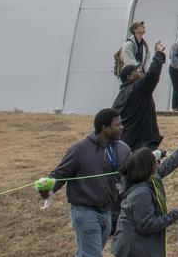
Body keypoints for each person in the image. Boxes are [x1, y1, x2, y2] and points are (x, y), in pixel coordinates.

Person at [45, 108, 132, 257]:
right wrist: (48, 188)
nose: (122, 127)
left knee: (87, 253)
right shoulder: (79, 150)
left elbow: (133, 172)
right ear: (104, 128)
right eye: (118, 125)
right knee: (91, 255)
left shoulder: (123, 148)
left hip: (107, 211)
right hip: (85, 212)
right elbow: (60, 174)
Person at [110, 135, 178, 257]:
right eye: (155, 162)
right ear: (147, 167)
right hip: (133, 250)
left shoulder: (145, 179)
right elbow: (146, 225)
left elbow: (170, 164)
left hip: (137, 246)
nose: (158, 164)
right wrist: (174, 215)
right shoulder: (141, 193)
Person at [115, 41, 166, 151]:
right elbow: (152, 74)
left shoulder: (122, 93)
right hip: (139, 144)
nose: (141, 71)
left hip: (127, 143)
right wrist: (159, 54)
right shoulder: (137, 89)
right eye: (137, 70)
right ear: (130, 77)